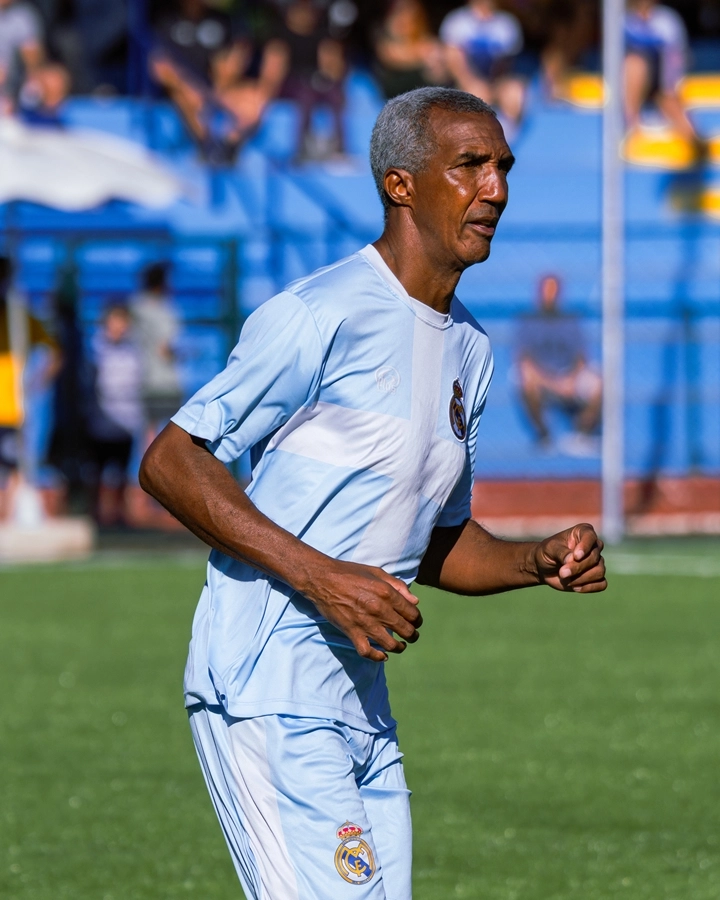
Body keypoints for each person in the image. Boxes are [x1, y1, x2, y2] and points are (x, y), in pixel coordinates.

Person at [140, 87, 607, 899]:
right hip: (264, 687)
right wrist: (323, 577)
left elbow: (434, 541)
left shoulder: (472, 349)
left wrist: (534, 560)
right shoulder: (319, 313)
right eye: (470, 165)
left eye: (502, 167)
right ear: (400, 183)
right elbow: (173, 460)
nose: (495, 187)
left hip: (360, 707)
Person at [151, 0, 284, 163]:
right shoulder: (166, 19)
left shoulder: (220, 20)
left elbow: (232, 60)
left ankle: (228, 147)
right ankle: (206, 147)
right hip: (182, 88)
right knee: (188, 96)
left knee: (254, 101)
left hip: (217, 85)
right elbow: (159, 66)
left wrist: (222, 84)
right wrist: (187, 85)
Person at [516, 274, 602, 455]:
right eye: (547, 290)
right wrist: (553, 383)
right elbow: (524, 362)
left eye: (553, 290)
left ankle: (582, 434)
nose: (550, 295)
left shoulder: (570, 320)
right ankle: (543, 436)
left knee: (599, 383)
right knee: (524, 377)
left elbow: (581, 358)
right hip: (543, 379)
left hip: (568, 377)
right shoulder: (528, 321)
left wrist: (570, 379)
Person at [0, 255, 61, 485]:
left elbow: (55, 352)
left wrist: (37, 383)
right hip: (12, 409)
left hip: (12, 409)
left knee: (13, 469)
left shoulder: (20, 317)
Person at [85, 303, 142, 526]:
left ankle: (119, 516)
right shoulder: (94, 350)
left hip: (127, 422)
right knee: (97, 470)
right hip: (101, 422)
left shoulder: (134, 351)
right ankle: (95, 516)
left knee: (120, 472)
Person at [273, 0, 349, 163]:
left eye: (308, 10)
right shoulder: (281, 35)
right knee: (304, 95)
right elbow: (274, 69)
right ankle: (302, 147)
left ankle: (340, 147)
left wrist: (329, 72)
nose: (304, 15)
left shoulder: (323, 35)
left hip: (316, 82)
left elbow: (332, 68)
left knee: (335, 94)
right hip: (290, 85)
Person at [624, 0, 703, 153]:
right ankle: (631, 126)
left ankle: (695, 146)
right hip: (629, 84)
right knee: (635, 65)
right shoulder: (621, 20)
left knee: (671, 104)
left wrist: (669, 90)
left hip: (661, 85)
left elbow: (675, 59)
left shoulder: (667, 20)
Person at [440, 0, 525, 132]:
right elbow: (453, 60)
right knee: (477, 94)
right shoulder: (456, 21)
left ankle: (508, 138)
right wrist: (470, 82)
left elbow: (506, 63)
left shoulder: (507, 23)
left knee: (515, 92)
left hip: (495, 80)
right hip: (464, 81)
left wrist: (496, 85)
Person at [130, 262, 183, 439]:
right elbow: (166, 348)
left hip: (140, 376)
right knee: (173, 429)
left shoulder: (134, 306)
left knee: (148, 428)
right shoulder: (165, 310)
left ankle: (147, 465)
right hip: (164, 379)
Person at [371, 0, 447, 99]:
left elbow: (441, 83)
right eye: (397, 13)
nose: (401, 19)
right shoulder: (382, 48)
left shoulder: (430, 47)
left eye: (407, 13)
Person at [0, 0, 44, 114]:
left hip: (9, 84)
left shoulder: (22, 15)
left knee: (53, 80)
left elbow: (32, 52)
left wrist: (32, 79)